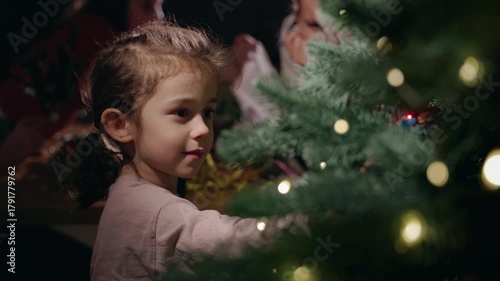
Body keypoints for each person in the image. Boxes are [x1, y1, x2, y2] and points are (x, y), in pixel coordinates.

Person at [62, 21, 310, 281]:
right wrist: (325, 217)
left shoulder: (129, 191)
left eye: (208, 112)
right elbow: (241, 242)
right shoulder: (152, 211)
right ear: (120, 125)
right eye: (182, 113)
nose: (202, 128)